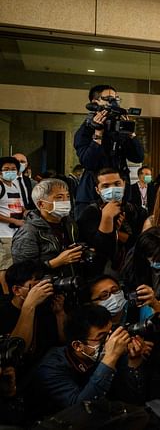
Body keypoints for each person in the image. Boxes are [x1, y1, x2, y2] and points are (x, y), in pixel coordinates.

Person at [31, 304, 147, 416]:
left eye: (110, 333)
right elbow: (80, 409)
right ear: (78, 345)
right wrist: (110, 358)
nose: (110, 341)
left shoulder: (114, 353)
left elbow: (132, 400)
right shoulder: (51, 367)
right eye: (102, 337)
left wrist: (134, 361)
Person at [73, 85, 145, 217]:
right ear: (95, 103)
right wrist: (98, 134)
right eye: (109, 99)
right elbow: (88, 162)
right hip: (93, 194)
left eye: (116, 99)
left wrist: (131, 135)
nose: (114, 103)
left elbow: (138, 157)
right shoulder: (85, 131)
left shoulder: (119, 128)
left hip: (121, 191)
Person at [11, 179, 88, 277]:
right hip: (45, 287)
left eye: (68, 197)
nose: (66, 201)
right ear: (41, 204)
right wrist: (56, 262)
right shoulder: (28, 232)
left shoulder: (70, 223)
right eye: (59, 198)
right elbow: (22, 271)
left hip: (71, 282)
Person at [0, 261, 65, 371]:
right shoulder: (3, 314)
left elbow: (63, 342)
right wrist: (29, 306)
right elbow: (15, 351)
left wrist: (60, 314)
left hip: (50, 366)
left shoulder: (47, 306)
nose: (43, 289)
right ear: (17, 290)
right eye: (36, 285)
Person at [76, 168, 143, 271]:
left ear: (124, 184)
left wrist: (119, 234)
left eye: (117, 184)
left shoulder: (135, 211)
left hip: (133, 267)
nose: (112, 189)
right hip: (101, 271)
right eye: (106, 186)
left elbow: (141, 242)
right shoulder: (89, 214)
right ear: (97, 190)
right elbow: (99, 248)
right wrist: (106, 218)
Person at [85, 274, 160, 333]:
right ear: (92, 303)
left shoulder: (136, 308)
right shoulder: (91, 324)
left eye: (115, 290)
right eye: (104, 295)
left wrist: (154, 302)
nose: (113, 297)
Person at [0, 157, 24, 285]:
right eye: (6, 169)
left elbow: (18, 205)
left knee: (13, 267)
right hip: (4, 235)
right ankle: (5, 297)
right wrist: (14, 221)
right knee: (5, 267)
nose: (10, 171)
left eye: (13, 169)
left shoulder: (14, 185)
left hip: (16, 234)